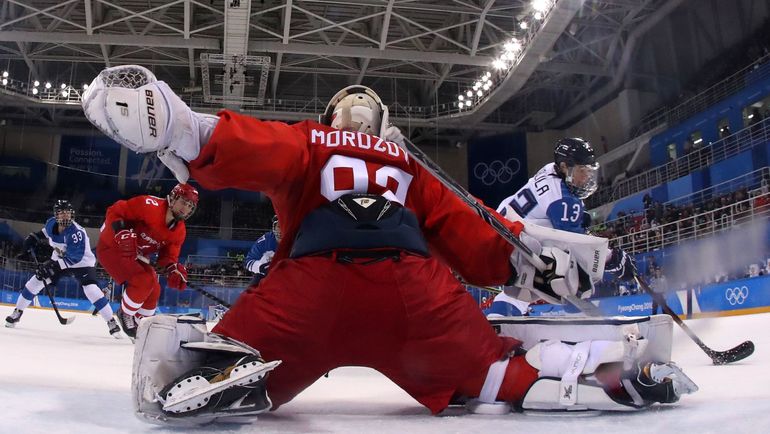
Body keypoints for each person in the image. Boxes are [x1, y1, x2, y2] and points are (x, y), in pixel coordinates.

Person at [81, 65, 696, 425]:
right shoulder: (410, 163)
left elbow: (254, 146)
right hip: (413, 298)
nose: (355, 110)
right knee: (493, 371)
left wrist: (184, 129)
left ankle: (221, 369)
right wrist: (527, 262)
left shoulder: (313, 141)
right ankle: (607, 371)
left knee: (241, 348)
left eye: (359, 105)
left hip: (308, 296)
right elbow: (469, 232)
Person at [491, 138, 635, 314]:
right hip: (510, 243)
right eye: (583, 170)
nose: (588, 176)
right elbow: (577, 245)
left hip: (501, 230)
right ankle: (576, 327)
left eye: (590, 170)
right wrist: (612, 259)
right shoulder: (563, 199)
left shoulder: (552, 169)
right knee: (572, 271)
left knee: (530, 278)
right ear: (566, 167)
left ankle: (500, 314)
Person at [4, 200, 121, 337]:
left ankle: (111, 322)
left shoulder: (77, 233)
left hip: (82, 263)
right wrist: (33, 237)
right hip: (59, 259)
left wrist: (51, 267)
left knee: (91, 290)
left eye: (68, 213)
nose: (65, 216)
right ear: (56, 215)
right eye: (62, 213)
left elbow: (74, 258)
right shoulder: (51, 223)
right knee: (35, 282)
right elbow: (44, 233)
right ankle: (17, 312)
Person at [96, 183, 197, 338]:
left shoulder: (180, 231)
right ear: (173, 197)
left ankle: (141, 328)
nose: (186, 208)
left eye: (190, 206)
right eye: (184, 202)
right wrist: (122, 233)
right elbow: (115, 211)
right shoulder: (149, 205)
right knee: (143, 281)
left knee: (154, 289)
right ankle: (125, 314)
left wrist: (172, 269)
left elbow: (168, 257)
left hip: (136, 254)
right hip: (112, 247)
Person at [244, 215, 280, 285]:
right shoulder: (265, 241)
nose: (281, 230)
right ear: (274, 227)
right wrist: (261, 267)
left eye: (284, 225)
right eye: (279, 226)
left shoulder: (297, 240)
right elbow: (248, 262)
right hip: (265, 277)